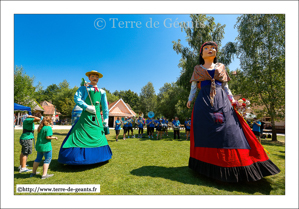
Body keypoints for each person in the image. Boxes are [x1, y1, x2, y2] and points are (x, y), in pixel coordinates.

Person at [186, 41, 280, 182]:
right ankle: (204, 165)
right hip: (203, 103)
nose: (210, 50)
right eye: (206, 48)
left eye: (213, 48)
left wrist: (232, 100)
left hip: (221, 99)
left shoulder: (221, 67)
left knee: (230, 129)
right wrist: (190, 99)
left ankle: (236, 164)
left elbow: (226, 86)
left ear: (216, 52)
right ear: (201, 53)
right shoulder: (197, 68)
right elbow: (194, 86)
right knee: (205, 132)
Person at [58, 70, 112, 165]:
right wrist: (86, 107)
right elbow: (77, 98)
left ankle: (100, 157)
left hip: (97, 118)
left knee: (97, 135)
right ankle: (78, 157)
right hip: (86, 117)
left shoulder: (102, 91)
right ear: (89, 77)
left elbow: (105, 106)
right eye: (93, 76)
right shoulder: (84, 89)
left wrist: (106, 118)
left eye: (97, 76)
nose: (95, 78)